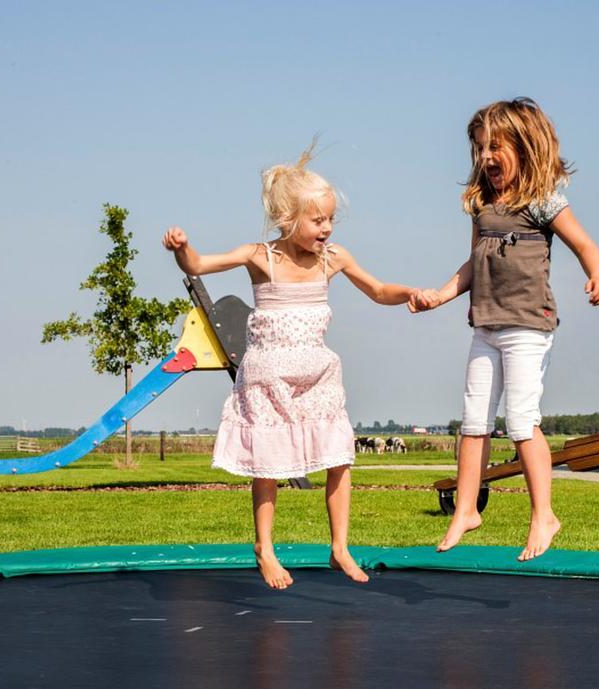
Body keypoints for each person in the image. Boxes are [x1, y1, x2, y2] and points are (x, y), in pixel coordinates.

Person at [162, 146, 415, 589]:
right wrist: (184, 249)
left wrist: (414, 293)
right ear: (287, 220)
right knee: (269, 466)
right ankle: (265, 547)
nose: (327, 229)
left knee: (339, 458)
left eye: (331, 220)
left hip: (317, 375)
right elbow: (200, 265)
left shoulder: (332, 258)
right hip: (268, 377)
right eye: (318, 221)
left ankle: (339, 548)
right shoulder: (262, 257)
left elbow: (377, 289)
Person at [410, 98, 599, 560]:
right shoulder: (482, 205)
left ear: (524, 146)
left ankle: (544, 514)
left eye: (495, 148)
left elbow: (585, 245)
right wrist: (441, 295)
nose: (486, 158)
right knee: (474, 422)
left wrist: (597, 278)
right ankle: (466, 508)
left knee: (521, 421)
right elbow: (474, 264)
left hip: (527, 326)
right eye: (480, 149)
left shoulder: (543, 201)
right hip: (485, 324)